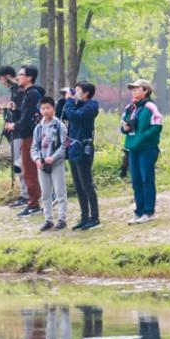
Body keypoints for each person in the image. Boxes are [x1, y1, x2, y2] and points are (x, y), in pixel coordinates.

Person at [121, 79, 163, 224]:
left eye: (136, 88)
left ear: (145, 90)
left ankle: (149, 212)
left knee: (146, 179)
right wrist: (125, 128)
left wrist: (143, 137)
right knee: (136, 181)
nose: (133, 91)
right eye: (132, 89)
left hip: (147, 148)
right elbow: (123, 124)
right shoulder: (130, 107)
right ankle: (138, 212)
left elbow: (158, 125)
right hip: (133, 148)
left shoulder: (150, 106)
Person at [4, 65, 44, 217]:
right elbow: (26, 114)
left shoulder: (32, 94)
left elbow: (28, 117)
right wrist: (16, 110)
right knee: (28, 170)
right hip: (29, 135)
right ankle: (35, 202)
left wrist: (15, 125)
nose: (18, 77)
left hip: (30, 136)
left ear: (29, 78)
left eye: (21, 74)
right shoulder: (30, 93)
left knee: (29, 171)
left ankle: (33, 204)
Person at [62, 81, 100, 230]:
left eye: (77, 90)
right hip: (73, 148)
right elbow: (63, 114)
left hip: (83, 148)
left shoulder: (91, 106)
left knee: (87, 185)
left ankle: (94, 217)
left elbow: (75, 116)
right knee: (78, 185)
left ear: (86, 93)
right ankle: (84, 217)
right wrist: (65, 100)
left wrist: (70, 101)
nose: (75, 93)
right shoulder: (76, 105)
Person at [31, 96, 69, 231]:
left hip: (56, 163)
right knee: (45, 193)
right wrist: (36, 159)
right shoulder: (38, 128)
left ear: (53, 109)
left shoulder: (60, 126)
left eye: (48, 108)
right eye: (43, 108)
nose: (45, 111)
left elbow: (64, 146)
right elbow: (34, 147)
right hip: (42, 165)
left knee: (60, 192)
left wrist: (53, 157)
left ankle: (62, 219)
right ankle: (48, 219)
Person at [0, 66, 29, 208]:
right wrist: (5, 110)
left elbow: (23, 112)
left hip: (19, 132)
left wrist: (13, 112)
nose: (2, 83)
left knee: (20, 164)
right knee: (20, 164)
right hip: (16, 132)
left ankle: (26, 195)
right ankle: (26, 194)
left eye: (2, 80)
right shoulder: (15, 91)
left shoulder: (20, 91)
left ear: (8, 77)